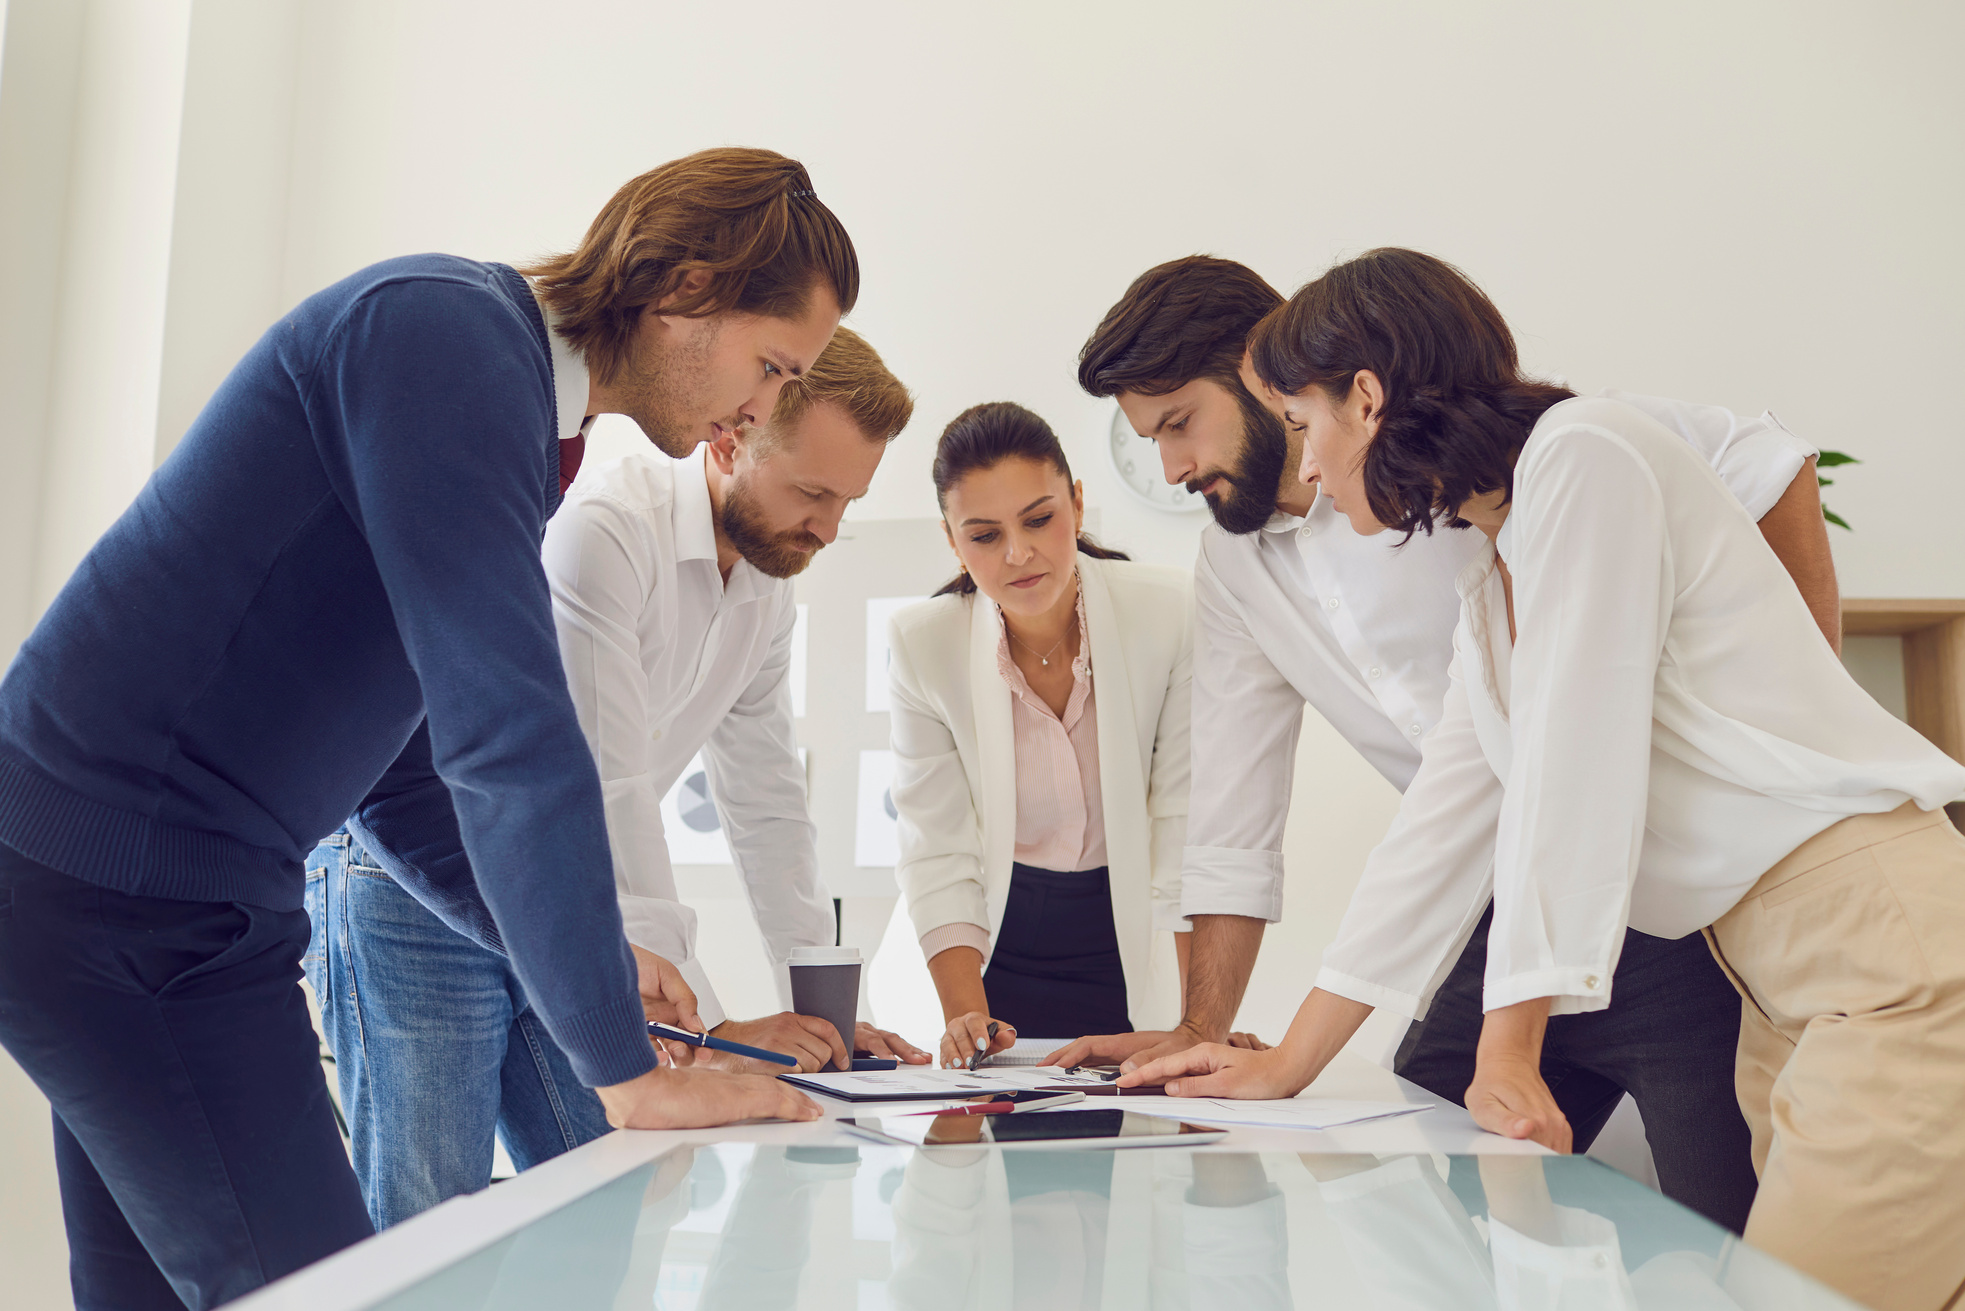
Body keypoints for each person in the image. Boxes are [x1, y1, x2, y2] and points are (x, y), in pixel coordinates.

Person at [0, 146, 840, 1309]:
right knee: (333, 1292)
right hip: (134, 903)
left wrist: (593, 970)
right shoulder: (446, 339)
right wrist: (622, 1067)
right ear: (686, 287)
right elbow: (509, 735)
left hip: (138, 892)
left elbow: (404, 776)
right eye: (773, 363)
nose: (763, 407)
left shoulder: (511, 409)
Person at [1126, 248, 1965, 1311]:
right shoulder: (1496, 571)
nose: (1313, 473)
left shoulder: (1585, 457)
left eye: (1304, 427)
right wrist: (1290, 1056)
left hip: (1880, 960)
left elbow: (1579, 765)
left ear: (1369, 401)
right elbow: (1449, 816)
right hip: (1782, 988)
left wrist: (1511, 1046)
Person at [307, 328, 929, 1229]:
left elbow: (766, 806)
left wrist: (823, 1019)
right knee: (427, 1219)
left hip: (553, 894)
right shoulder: (605, 532)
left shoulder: (766, 585)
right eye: (811, 493)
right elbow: (611, 786)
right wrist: (705, 1035)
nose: (828, 530)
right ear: (728, 437)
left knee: (613, 1192)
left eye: (848, 502)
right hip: (415, 878)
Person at [886, 402, 1213, 1067]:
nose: (1018, 553)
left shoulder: (1168, 611)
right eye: (982, 534)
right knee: (984, 1151)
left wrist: (1194, 1023)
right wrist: (962, 1014)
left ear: (1078, 504)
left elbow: (1184, 829)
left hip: (1124, 938)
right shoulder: (923, 645)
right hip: (983, 944)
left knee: (1135, 1148)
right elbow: (937, 847)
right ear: (951, 540)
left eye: (1039, 518)